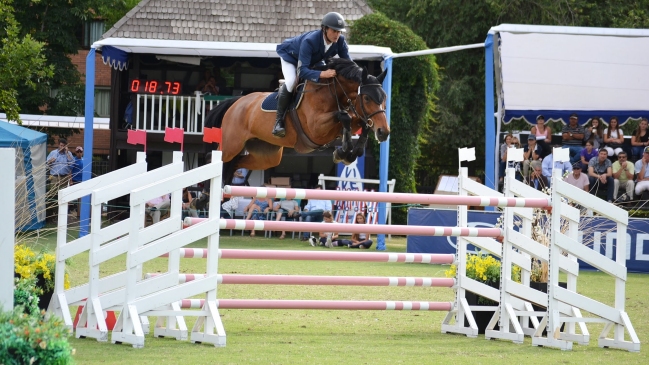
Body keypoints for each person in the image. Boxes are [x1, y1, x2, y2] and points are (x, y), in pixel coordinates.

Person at [272, 12, 351, 138]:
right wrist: (322, 73)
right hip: (291, 57)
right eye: (334, 31)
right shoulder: (310, 41)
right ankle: (278, 122)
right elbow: (302, 71)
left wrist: (358, 75)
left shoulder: (340, 41)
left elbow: (348, 63)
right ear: (325, 29)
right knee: (292, 81)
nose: (337, 35)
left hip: (313, 59)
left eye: (339, 31)